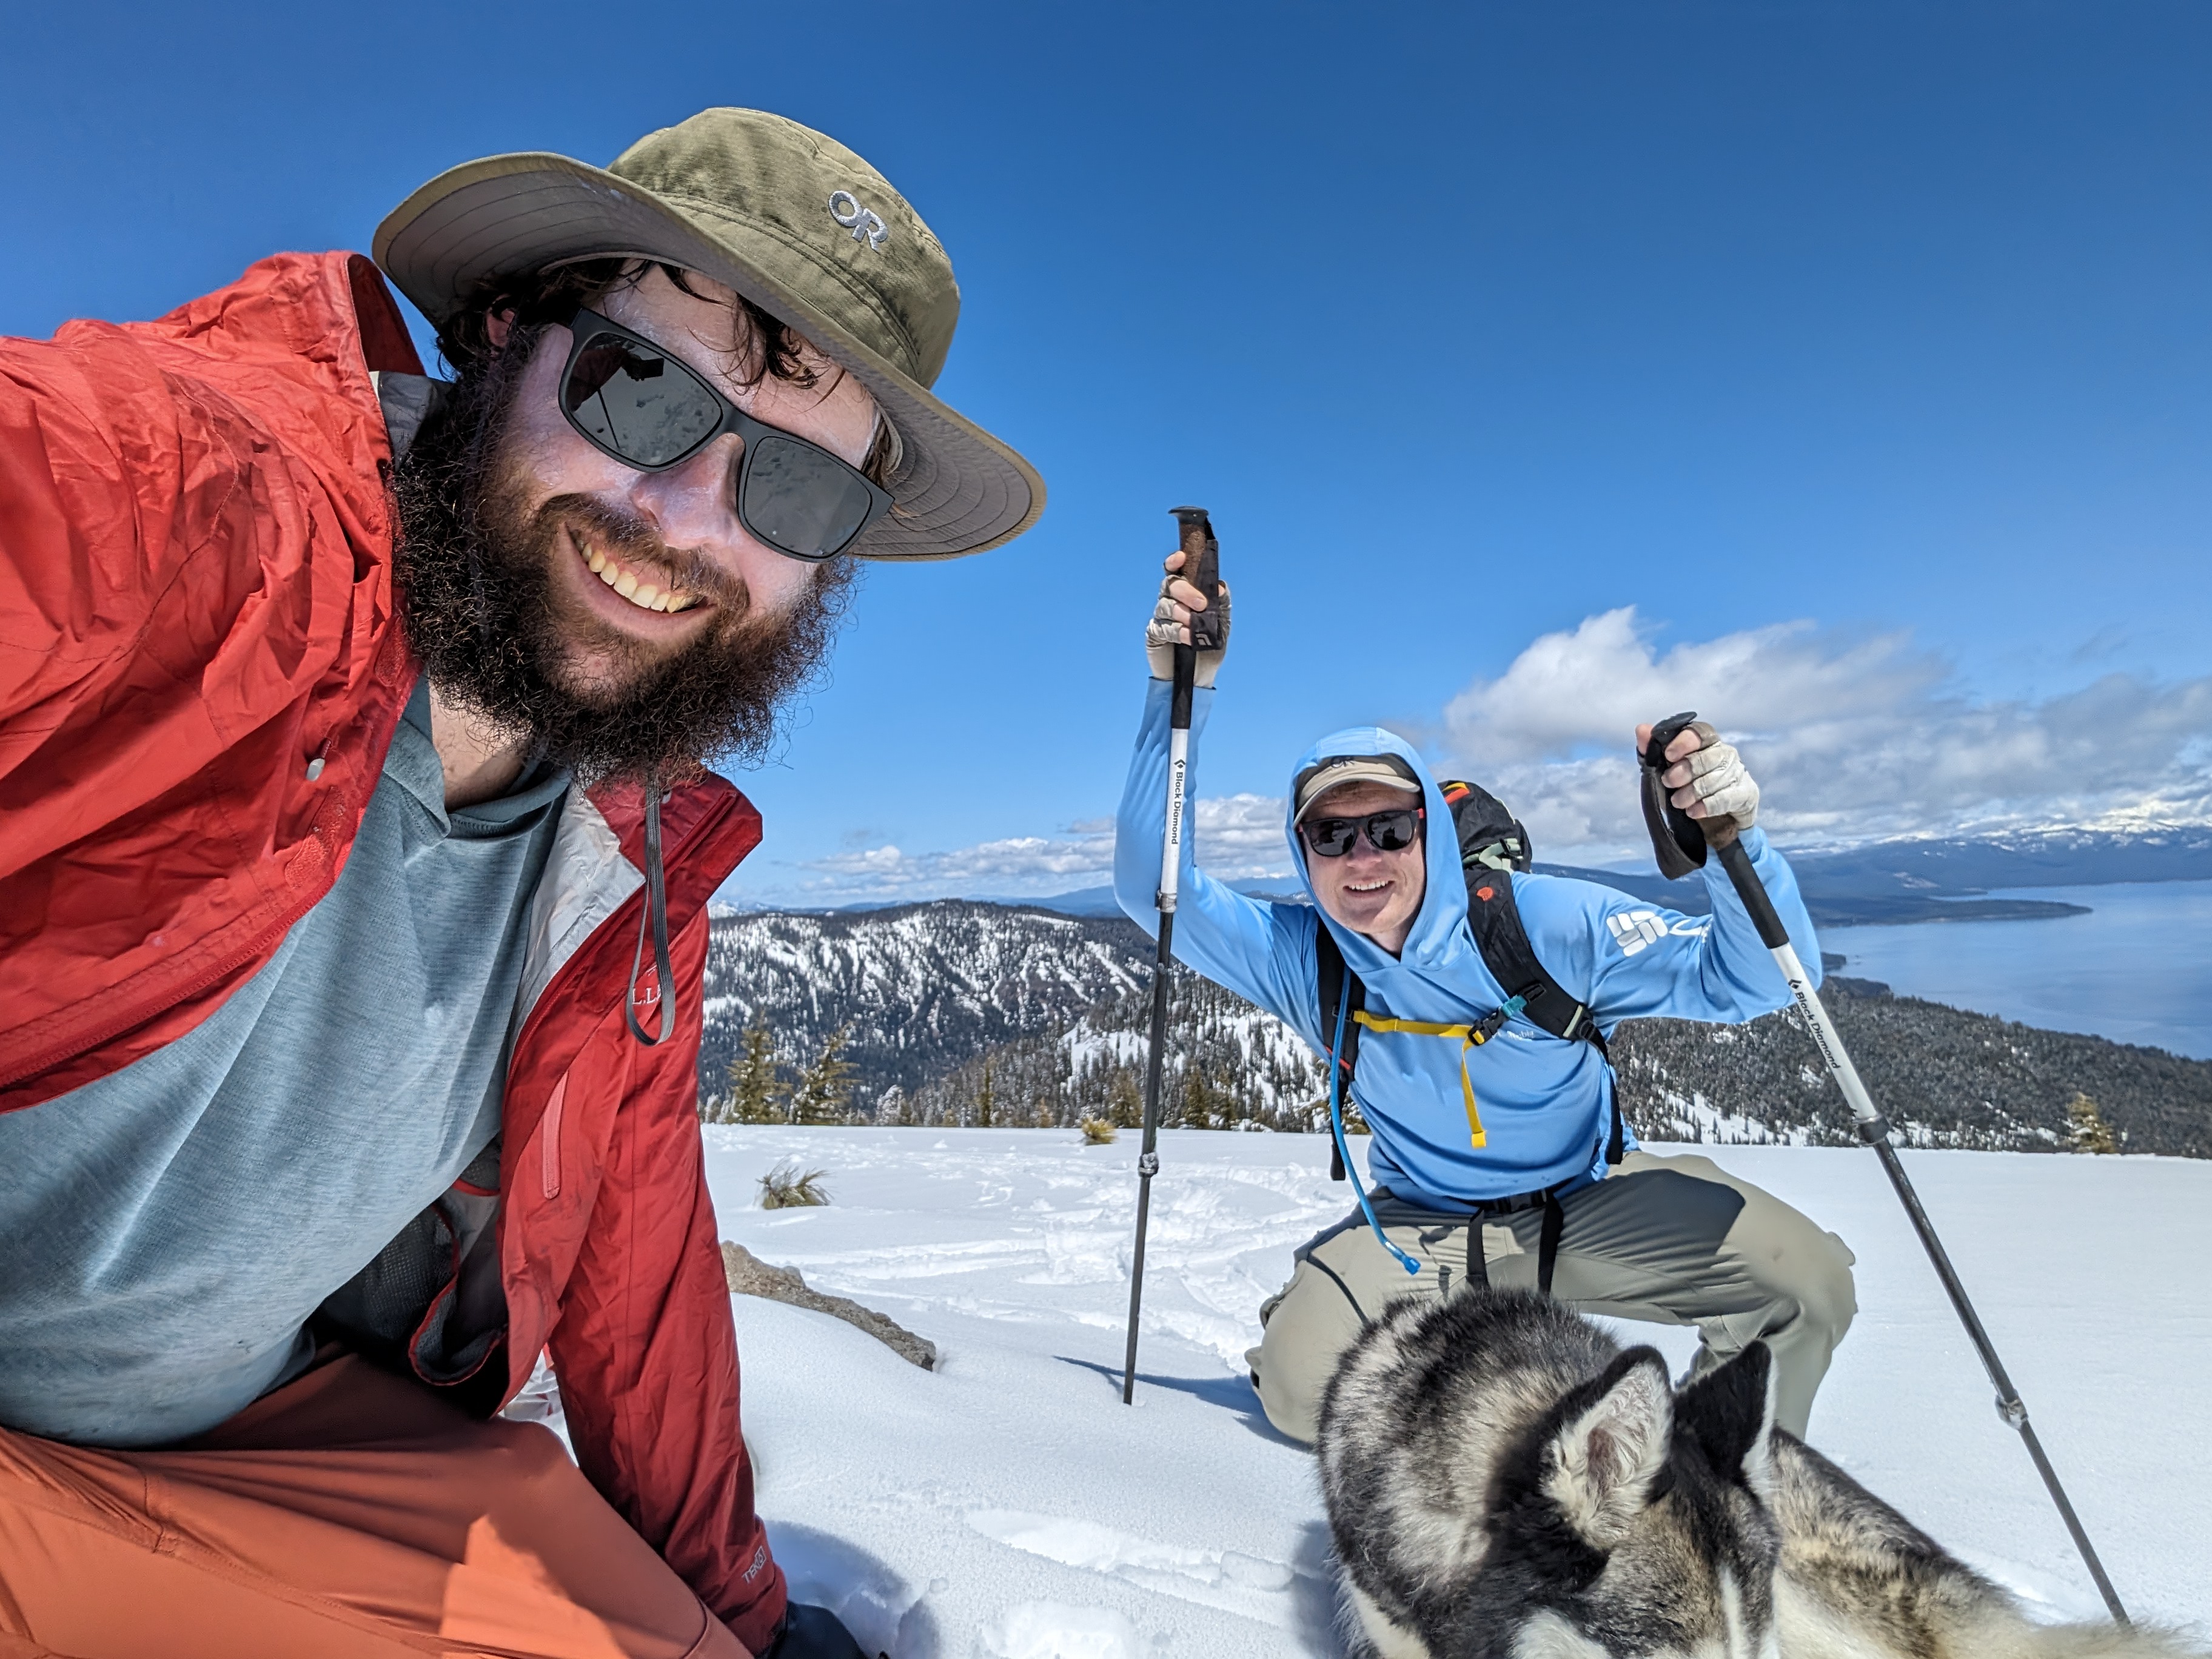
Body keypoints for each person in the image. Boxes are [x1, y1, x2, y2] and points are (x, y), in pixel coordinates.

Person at [0, 108, 1041, 1658]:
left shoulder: (620, 852)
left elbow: (640, 1262)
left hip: (250, 1439)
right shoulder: (204, 524)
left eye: (801, 497)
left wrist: (738, 1609)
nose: (689, 519)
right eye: (641, 392)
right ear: (502, 337)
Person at [1113, 552, 1856, 1446]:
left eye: (1390, 827)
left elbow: (1756, 980)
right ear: (1301, 851)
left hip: (1587, 1203)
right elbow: (1153, 887)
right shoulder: (1306, 957)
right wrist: (1177, 691)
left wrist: (1732, 842)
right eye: (1331, 834)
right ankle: (1448, 1383)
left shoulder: (1542, 924)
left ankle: (1711, 1475)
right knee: (1300, 1391)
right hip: (1419, 1233)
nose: (1363, 859)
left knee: (1804, 1286)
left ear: (1427, 824)